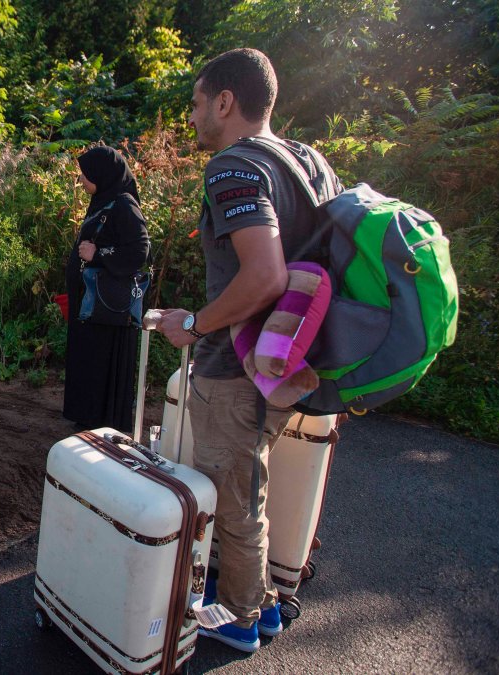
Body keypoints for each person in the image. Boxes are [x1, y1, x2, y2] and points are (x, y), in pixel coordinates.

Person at [157, 48, 341, 653]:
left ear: (225, 102)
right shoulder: (307, 161)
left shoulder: (233, 167)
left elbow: (265, 275)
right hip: (289, 358)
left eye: (195, 103)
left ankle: (240, 618)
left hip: (236, 366)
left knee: (234, 494)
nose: (190, 118)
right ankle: (257, 604)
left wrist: (196, 323)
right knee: (250, 485)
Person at [63, 146, 150, 431]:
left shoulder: (123, 204)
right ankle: (87, 415)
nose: (81, 181)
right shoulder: (103, 200)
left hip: (107, 304)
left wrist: (98, 254)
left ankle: (102, 420)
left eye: (85, 176)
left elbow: (140, 250)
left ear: (103, 174)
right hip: (91, 301)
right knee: (88, 356)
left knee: (101, 357)